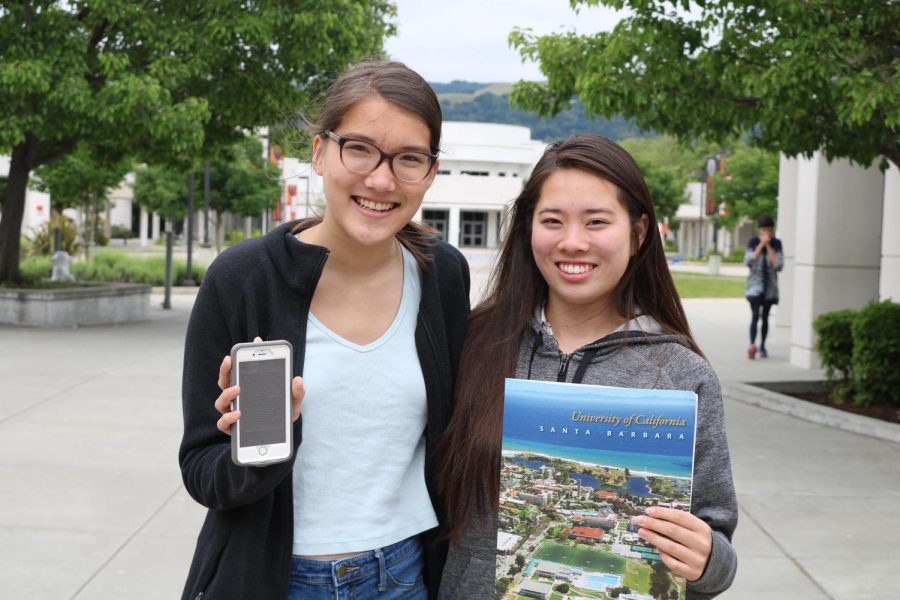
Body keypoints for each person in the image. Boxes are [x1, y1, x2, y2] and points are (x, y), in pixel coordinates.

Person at [178, 60, 470, 600]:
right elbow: (201, 470)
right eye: (358, 148)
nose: (382, 179)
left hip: (404, 576)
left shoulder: (442, 275)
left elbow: (454, 437)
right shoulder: (242, 279)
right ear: (319, 151)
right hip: (272, 579)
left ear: (430, 173)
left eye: (410, 159)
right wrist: (261, 447)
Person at [437, 135, 738, 599]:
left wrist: (706, 561)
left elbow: (716, 542)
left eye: (597, 222)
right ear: (527, 229)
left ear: (639, 234)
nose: (572, 242)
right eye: (552, 221)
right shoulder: (476, 342)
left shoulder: (681, 374)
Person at [744, 214, 783, 359]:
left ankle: (763, 346)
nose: (766, 232)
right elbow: (749, 261)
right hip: (755, 286)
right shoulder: (753, 241)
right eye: (763, 229)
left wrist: (768, 245)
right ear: (759, 229)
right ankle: (752, 344)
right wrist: (761, 244)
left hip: (770, 289)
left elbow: (778, 265)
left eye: (769, 229)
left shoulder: (777, 243)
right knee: (755, 315)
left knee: (765, 317)